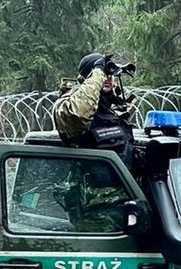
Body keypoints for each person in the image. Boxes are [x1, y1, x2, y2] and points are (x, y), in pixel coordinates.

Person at [52, 53, 137, 232]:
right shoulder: (67, 109)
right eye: (103, 74)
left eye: (110, 74)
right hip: (94, 216)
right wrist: (98, 71)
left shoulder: (112, 112)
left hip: (125, 208)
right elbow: (78, 113)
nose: (108, 78)